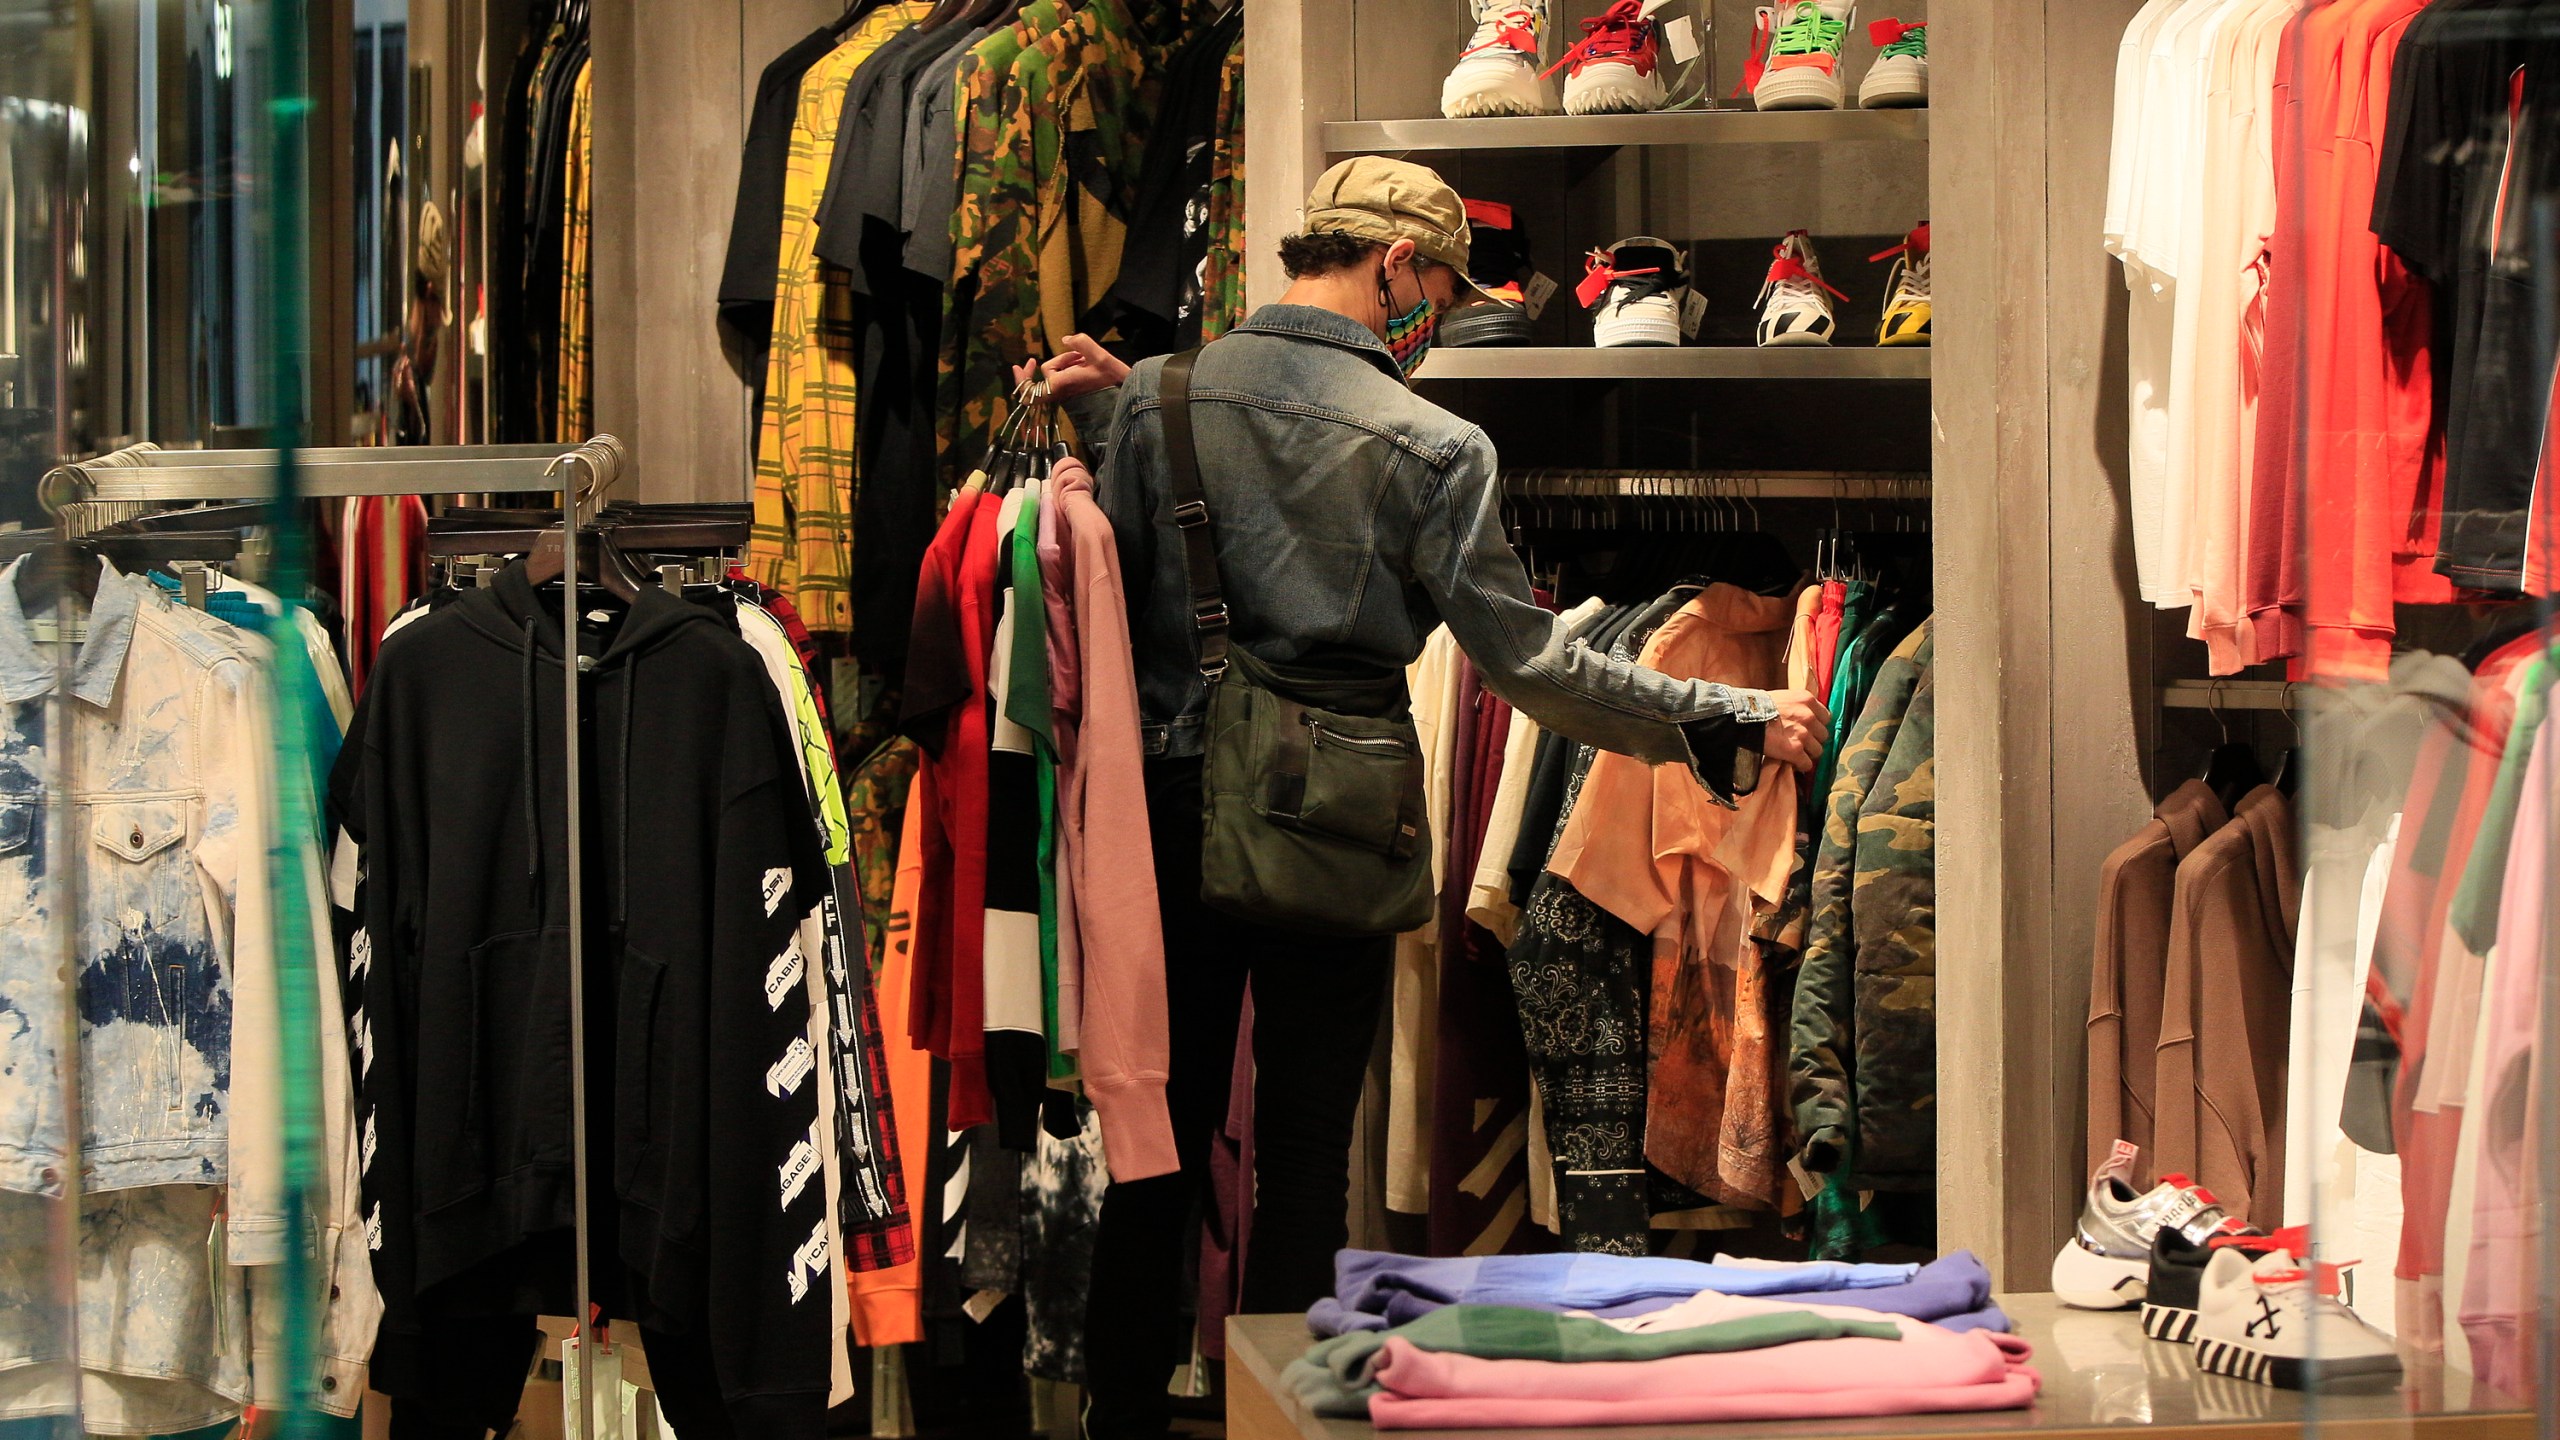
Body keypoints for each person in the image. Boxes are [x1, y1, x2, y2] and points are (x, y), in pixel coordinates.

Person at [1021, 155, 1829, 1440]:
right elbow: (1536, 664)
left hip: (1162, 804)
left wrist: (1115, 424)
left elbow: (1115, 599)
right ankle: (1273, 1422)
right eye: (1440, 290)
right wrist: (1729, 711)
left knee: (1157, 1142)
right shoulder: (1434, 443)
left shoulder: (1154, 397)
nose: (1438, 318)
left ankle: (1117, 1418)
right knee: (1299, 1156)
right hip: (1333, 810)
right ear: (1394, 264)